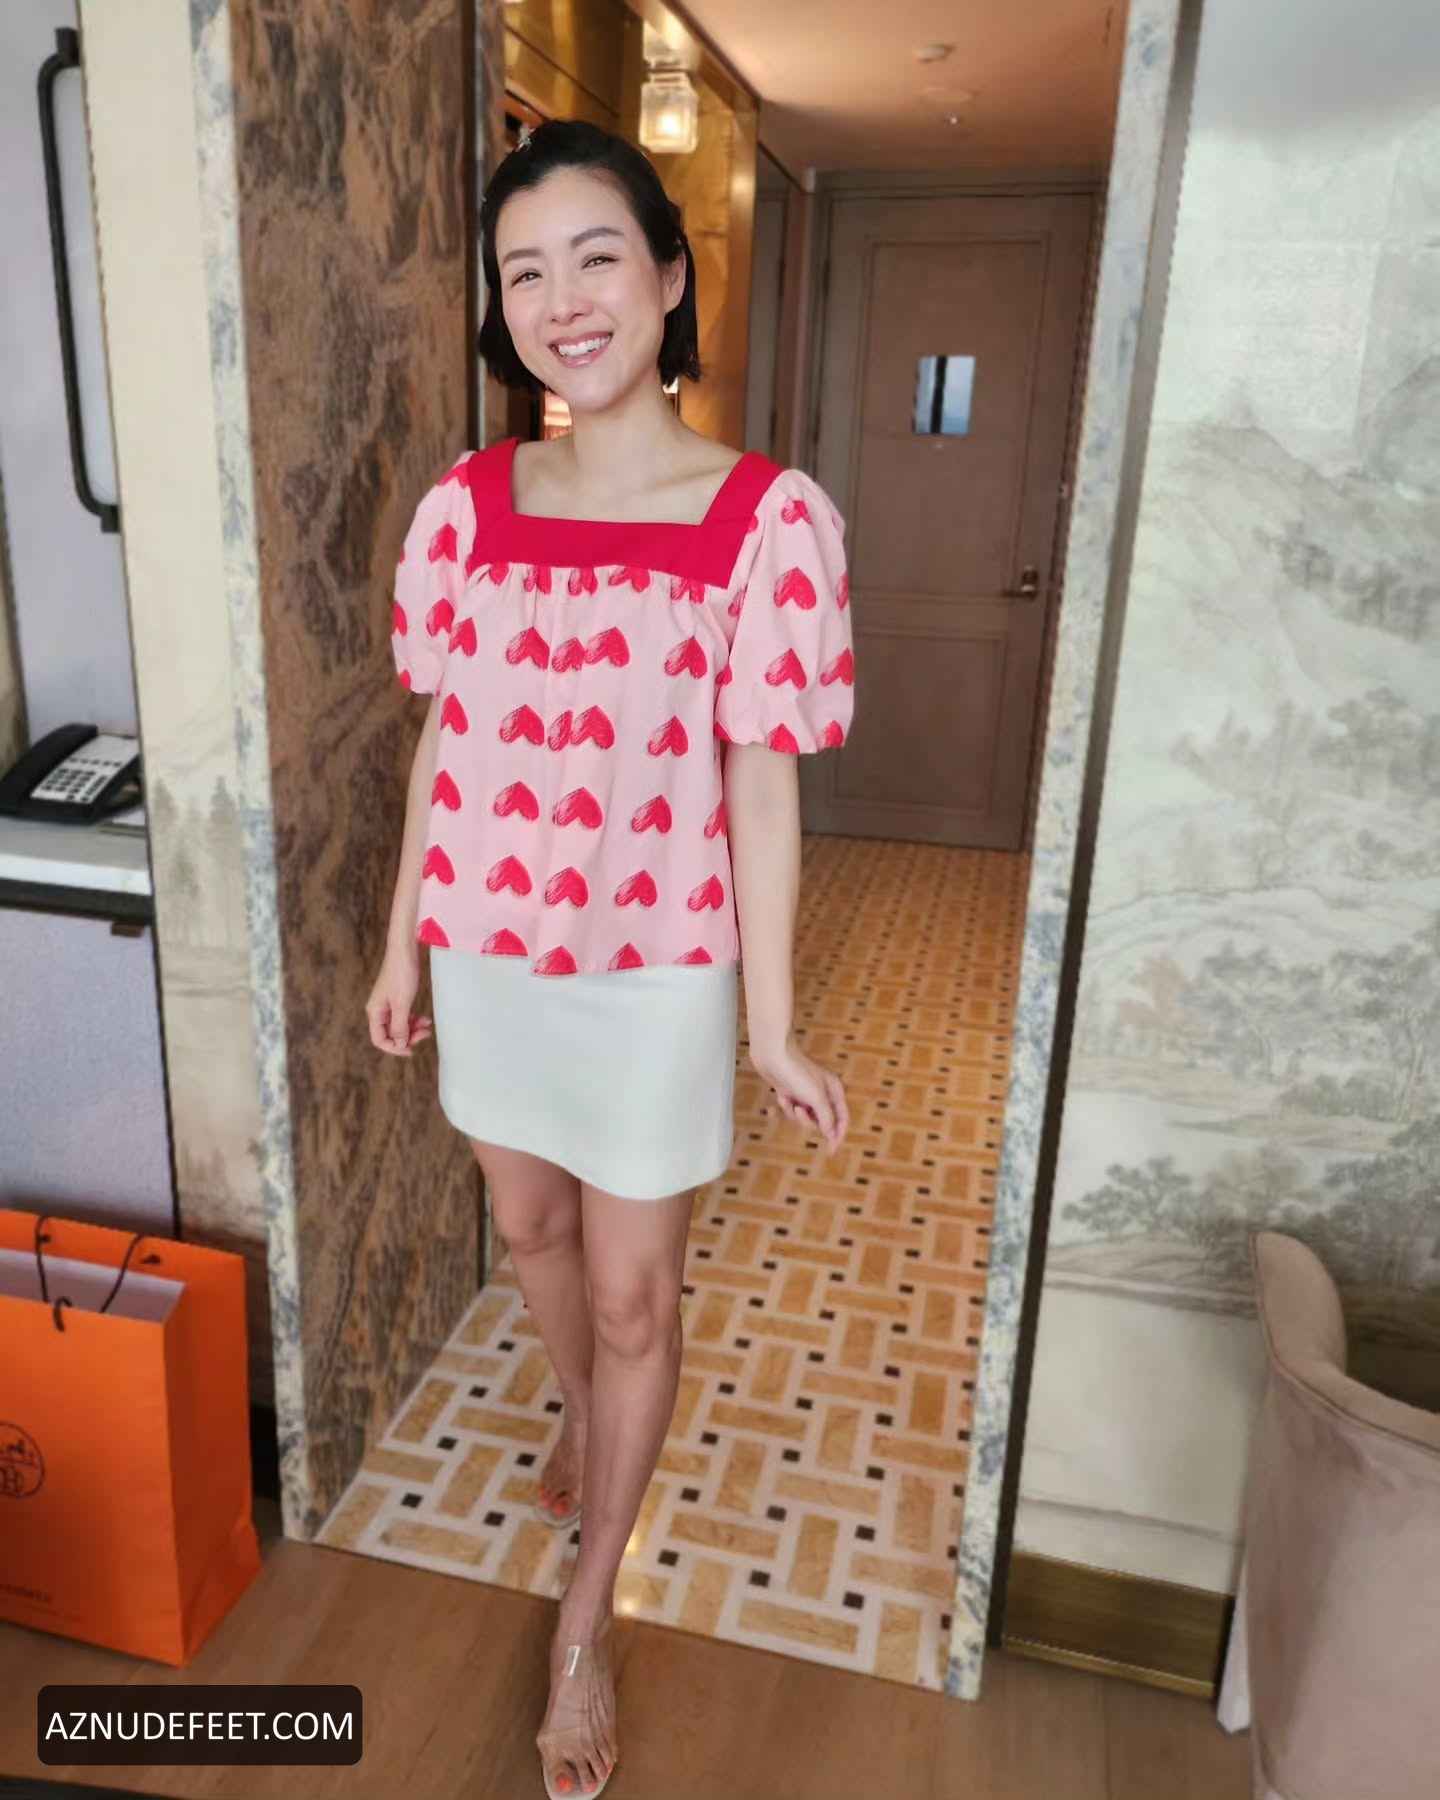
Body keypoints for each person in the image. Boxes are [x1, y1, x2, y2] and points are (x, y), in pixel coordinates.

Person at [366, 118, 856, 1800]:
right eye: (525, 272)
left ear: (666, 275)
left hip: (656, 965)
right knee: (529, 1227)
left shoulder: (763, 520)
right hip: (492, 948)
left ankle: (588, 1616)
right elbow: (445, 745)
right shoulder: (470, 507)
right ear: (502, 309)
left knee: (637, 1284)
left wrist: (773, 1029)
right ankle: (584, 1408)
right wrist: (402, 947)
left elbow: (762, 787)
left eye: (595, 257)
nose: (562, 299)